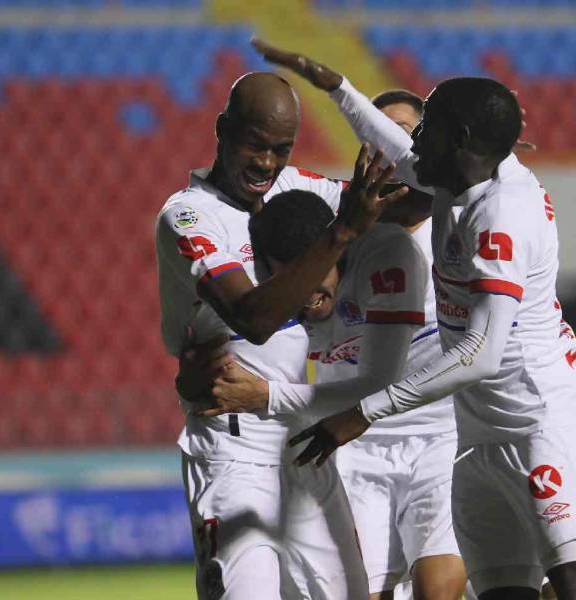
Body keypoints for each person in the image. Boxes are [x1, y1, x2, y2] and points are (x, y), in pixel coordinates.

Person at [253, 42, 576, 600]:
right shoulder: (459, 177)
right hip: (477, 435)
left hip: (537, 425)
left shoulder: (502, 216)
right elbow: (398, 151)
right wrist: (338, 87)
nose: (416, 141)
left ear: (463, 141)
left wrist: (362, 412)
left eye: (430, 129)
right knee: (502, 591)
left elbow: (481, 352)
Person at [155, 70, 406, 599]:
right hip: (232, 449)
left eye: (281, 149)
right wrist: (341, 233)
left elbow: (408, 201)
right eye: (254, 145)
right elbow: (253, 318)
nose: (267, 164)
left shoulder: (296, 187)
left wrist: (481, 168)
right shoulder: (188, 215)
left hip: (303, 443)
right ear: (222, 129)